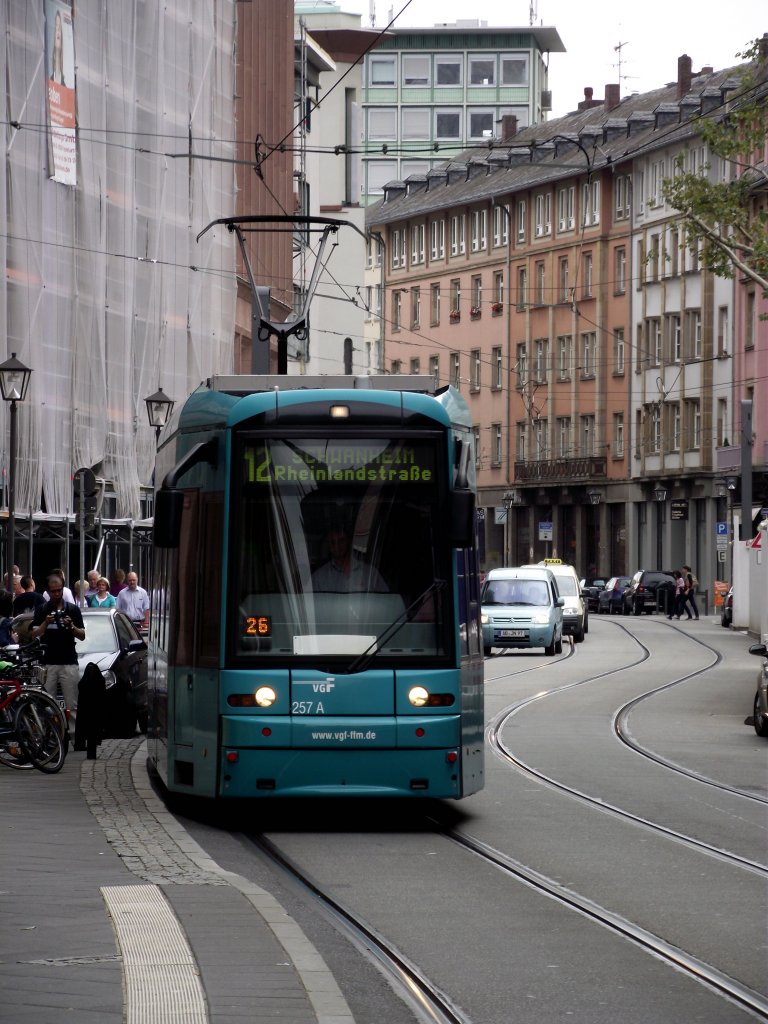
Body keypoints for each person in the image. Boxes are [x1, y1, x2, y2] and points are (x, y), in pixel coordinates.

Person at [31, 573, 85, 740]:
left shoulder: (73, 609)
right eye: (53, 591)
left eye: (59, 590)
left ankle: (75, 737)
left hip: (69, 662)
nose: (57, 594)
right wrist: (45, 623)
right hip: (48, 663)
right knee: (46, 704)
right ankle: (49, 737)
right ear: (47, 591)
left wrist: (72, 626)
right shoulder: (42, 610)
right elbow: (34, 634)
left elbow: (82, 635)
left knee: (72, 705)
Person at [311, 525, 388, 593]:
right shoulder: (319, 577)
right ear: (329, 546)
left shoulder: (370, 573)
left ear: (349, 542)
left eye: (341, 540)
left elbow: (386, 601)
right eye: (332, 542)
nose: (337, 546)